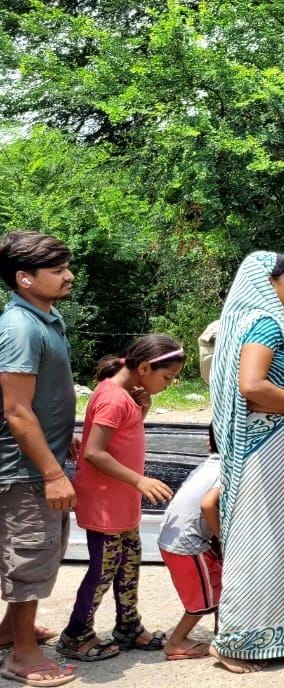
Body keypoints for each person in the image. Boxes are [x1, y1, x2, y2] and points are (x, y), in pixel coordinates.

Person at [209, 251, 284, 673]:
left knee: (281, 542)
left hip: (277, 444)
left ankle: (282, 630)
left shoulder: (258, 322)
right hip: (269, 447)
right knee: (260, 543)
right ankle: (235, 640)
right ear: (267, 282)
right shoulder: (263, 323)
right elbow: (253, 386)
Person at [57, 335, 186, 661]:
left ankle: (128, 626)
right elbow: (94, 453)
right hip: (105, 504)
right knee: (103, 569)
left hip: (120, 500)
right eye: (167, 378)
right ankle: (76, 634)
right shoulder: (113, 398)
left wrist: (142, 410)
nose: (168, 385)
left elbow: (121, 439)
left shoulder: (125, 397)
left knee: (128, 564)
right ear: (144, 367)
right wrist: (139, 479)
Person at [0, 231, 78, 688]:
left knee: (39, 552)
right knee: (29, 556)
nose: (68, 276)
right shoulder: (19, 328)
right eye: (56, 270)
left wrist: (61, 440)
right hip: (25, 469)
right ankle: (22, 656)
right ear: (24, 279)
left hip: (40, 459)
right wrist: (51, 472)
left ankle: (12, 631)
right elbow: (15, 409)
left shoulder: (48, 318)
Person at [157, 425, 222, 661]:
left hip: (176, 538)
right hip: (188, 543)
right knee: (204, 600)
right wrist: (222, 535)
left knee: (218, 586)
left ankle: (220, 633)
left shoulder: (208, 464)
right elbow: (207, 505)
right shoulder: (225, 469)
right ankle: (176, 642)